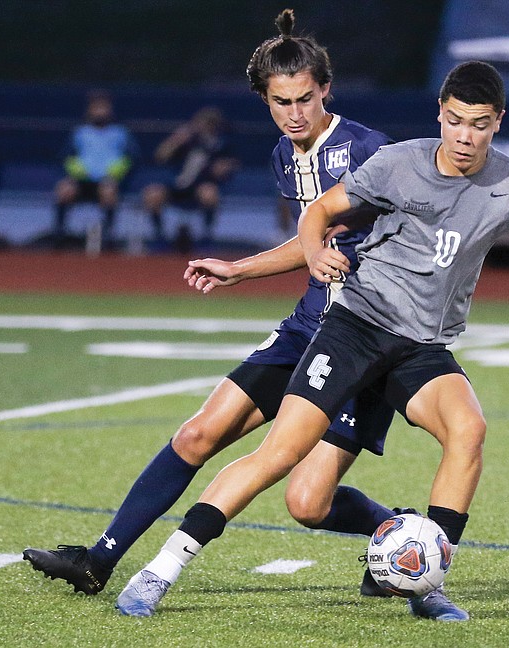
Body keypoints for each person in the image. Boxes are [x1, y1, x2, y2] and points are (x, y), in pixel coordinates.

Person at [114, 60, 509, 622]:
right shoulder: (397, 163)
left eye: (479, 124)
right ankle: (159, 571)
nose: (464, 136)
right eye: (455, 120)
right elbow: (319, 212)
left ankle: (427, 577)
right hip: (355, 329)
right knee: (280, 458)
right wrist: (314, 254)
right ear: (440, 112)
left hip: (421, 347)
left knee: (469, 429)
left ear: (498, 122)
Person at [23, 8, 406, 604]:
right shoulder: (285, 156)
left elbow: (402, 227)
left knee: (308, 504)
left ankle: (397, 530)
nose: (295, 113)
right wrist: (239, 269)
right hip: (309, 323)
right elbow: (312, 245)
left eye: (305, 98)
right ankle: (97, 561)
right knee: (199, 433)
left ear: (325, 90)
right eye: (281, 102)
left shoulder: (366, 149)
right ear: (265, 100)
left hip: (365, 338)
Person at [141, 106, 239, 246]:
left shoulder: (221, 145)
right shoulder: (186, 142)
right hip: (177, 184)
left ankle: (207, 235)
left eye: (211, 123)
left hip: (201, 186)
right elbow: (160, 156)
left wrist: (224, 167)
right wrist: (175, 140)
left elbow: (231, 164)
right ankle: (159, 235)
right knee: (152, 193)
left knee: (209, 193)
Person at [52, 90, 138, 247]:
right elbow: (65, 157)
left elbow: (132, 158)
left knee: (108, 191)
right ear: (89, 110)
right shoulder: (80, 132)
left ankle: (109, 234)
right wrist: (75, 170)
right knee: (64, 189)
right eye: (96, 108)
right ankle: (59, 233)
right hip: (82, 181)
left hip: (107, 181)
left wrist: (117, 172)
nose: (100, 112)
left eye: (103, 108)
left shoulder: (120, 133)